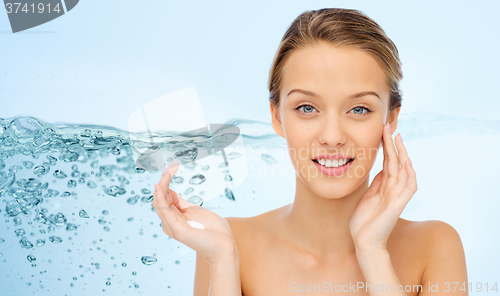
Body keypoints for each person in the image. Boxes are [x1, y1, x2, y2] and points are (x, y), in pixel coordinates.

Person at [152, 8, 468, 296]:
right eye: (307, 107)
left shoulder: (435, 246)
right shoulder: (228, 243)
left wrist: (372, 251)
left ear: (391, 118)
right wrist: (222, 261)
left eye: (359, 109)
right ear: (277, 116)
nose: (332, 137)